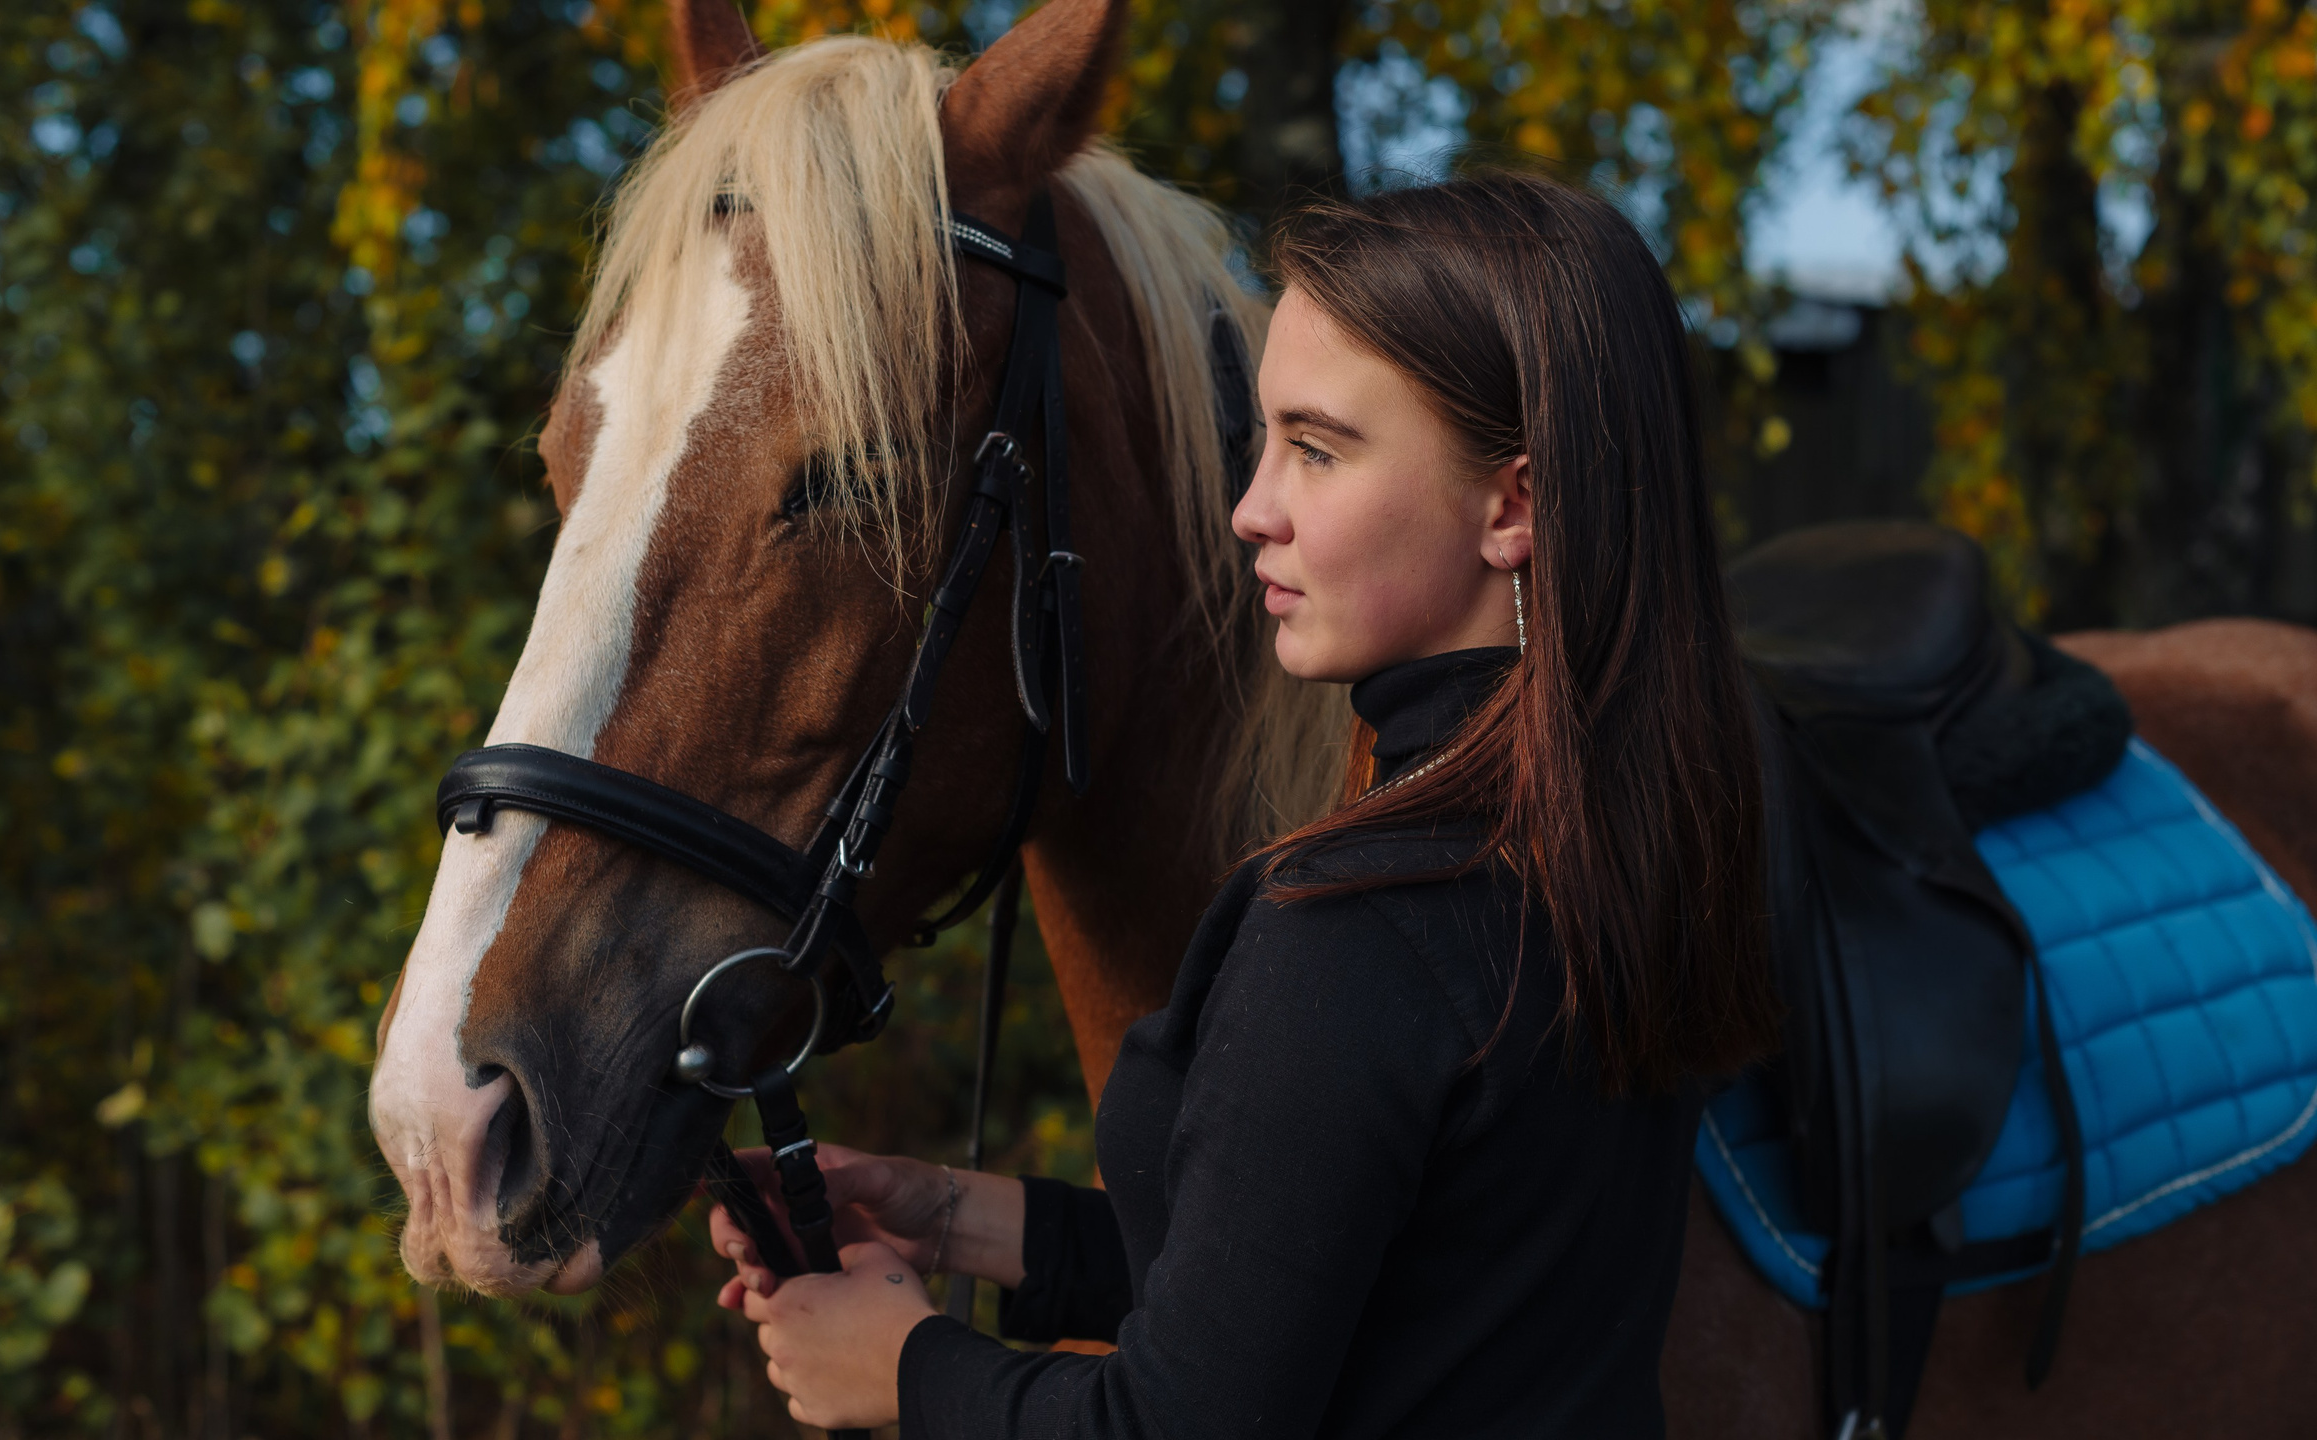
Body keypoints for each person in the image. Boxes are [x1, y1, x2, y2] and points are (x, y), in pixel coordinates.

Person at [709, 167, 1779, 1439]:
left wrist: (904, 1370)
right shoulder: (1618, 838)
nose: (1249, 509)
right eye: (1262, 438)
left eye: (1317, 450)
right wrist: (959, 1218)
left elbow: (1175, 1422)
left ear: (1514, 504)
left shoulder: (1361, 928)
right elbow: (1369, 1279)